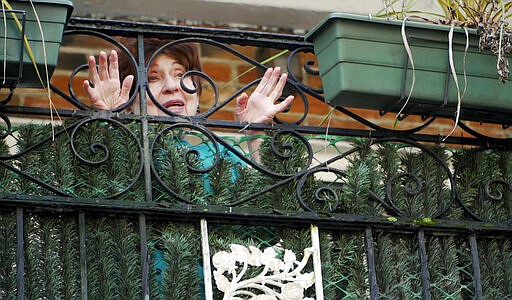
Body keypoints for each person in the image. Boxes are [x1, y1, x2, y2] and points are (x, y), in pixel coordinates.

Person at [83, 38, 294, 125]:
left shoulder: (221, 162)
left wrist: (255, 134)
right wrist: (110, 122)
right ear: (128, 104)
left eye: (179, 74)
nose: (172, 86)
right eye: (153, 78)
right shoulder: (125, 158)